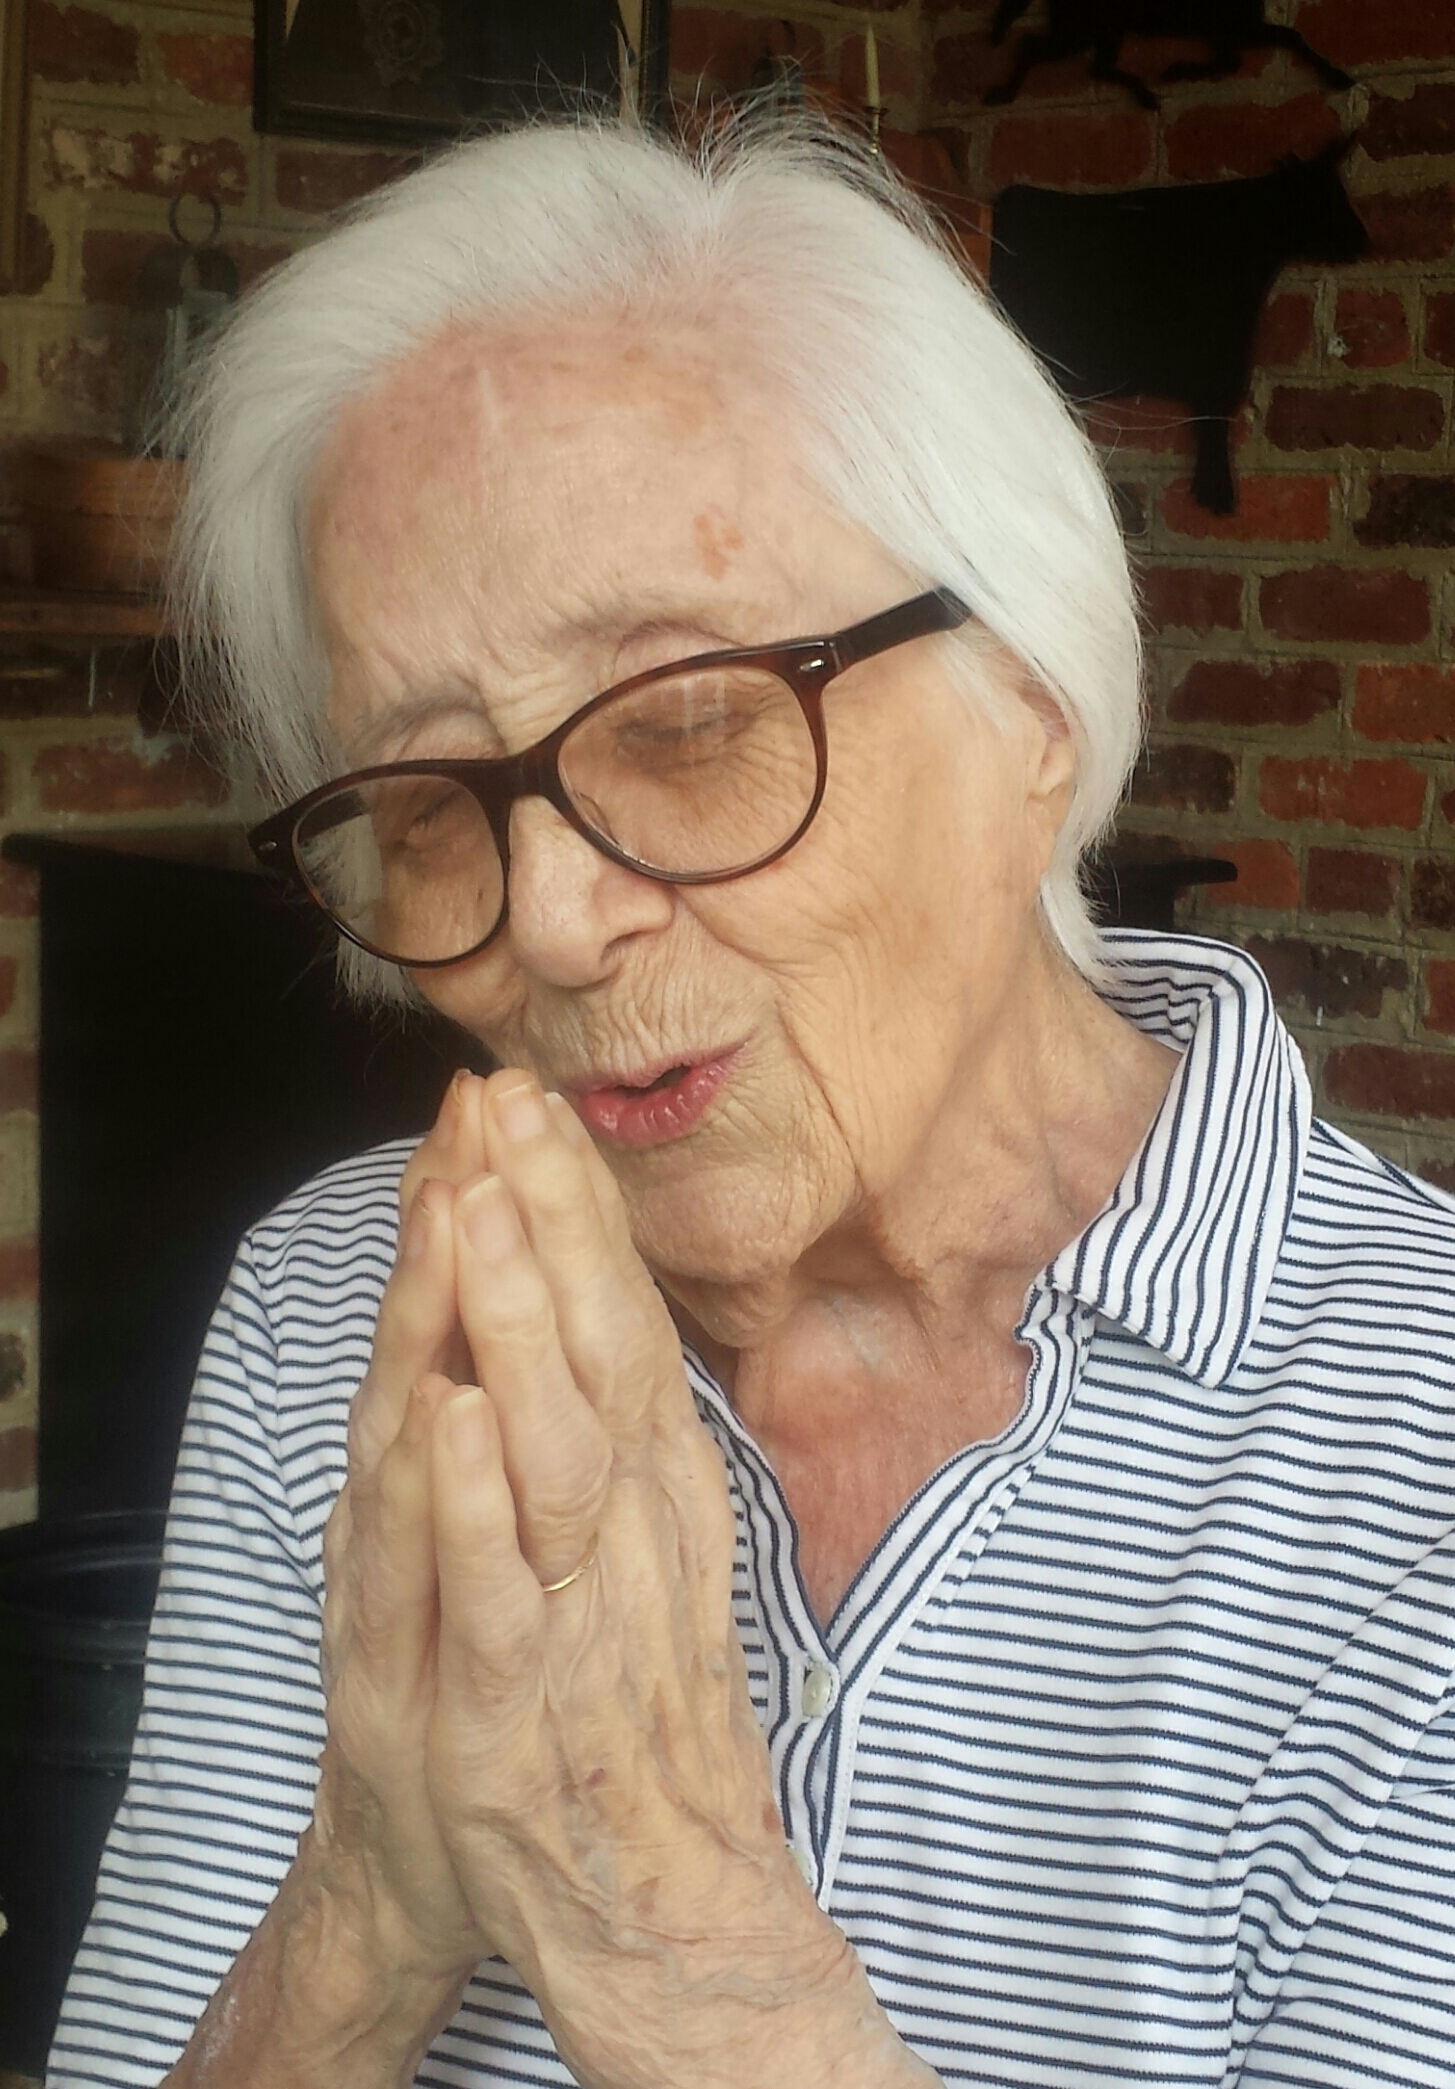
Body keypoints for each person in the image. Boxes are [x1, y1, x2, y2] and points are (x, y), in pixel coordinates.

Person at [49, 115, 1455, 2089]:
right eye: (429, 802)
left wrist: (671, 1930)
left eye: (692, 718)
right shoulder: (342, 1309)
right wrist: (367, 1896)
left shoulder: (1414, 1444)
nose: (550, 921)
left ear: (1032, 704)